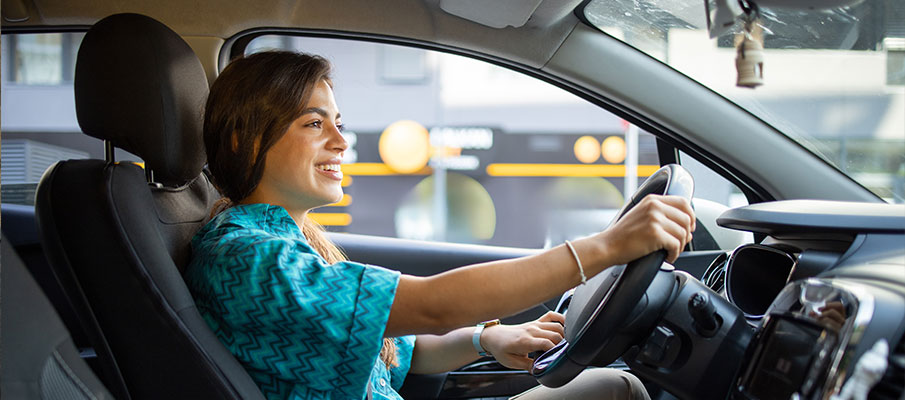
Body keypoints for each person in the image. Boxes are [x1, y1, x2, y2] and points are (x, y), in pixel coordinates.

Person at [185, 51, 695, 400]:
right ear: (245, 140)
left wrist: (485, 341)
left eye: (338, 122)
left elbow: (401, 347)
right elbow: (430, 306)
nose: (341, 141)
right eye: (314, 123)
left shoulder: (284, 240)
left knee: (611, 387)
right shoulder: (248, 257)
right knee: (619, 390)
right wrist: (604, 248)